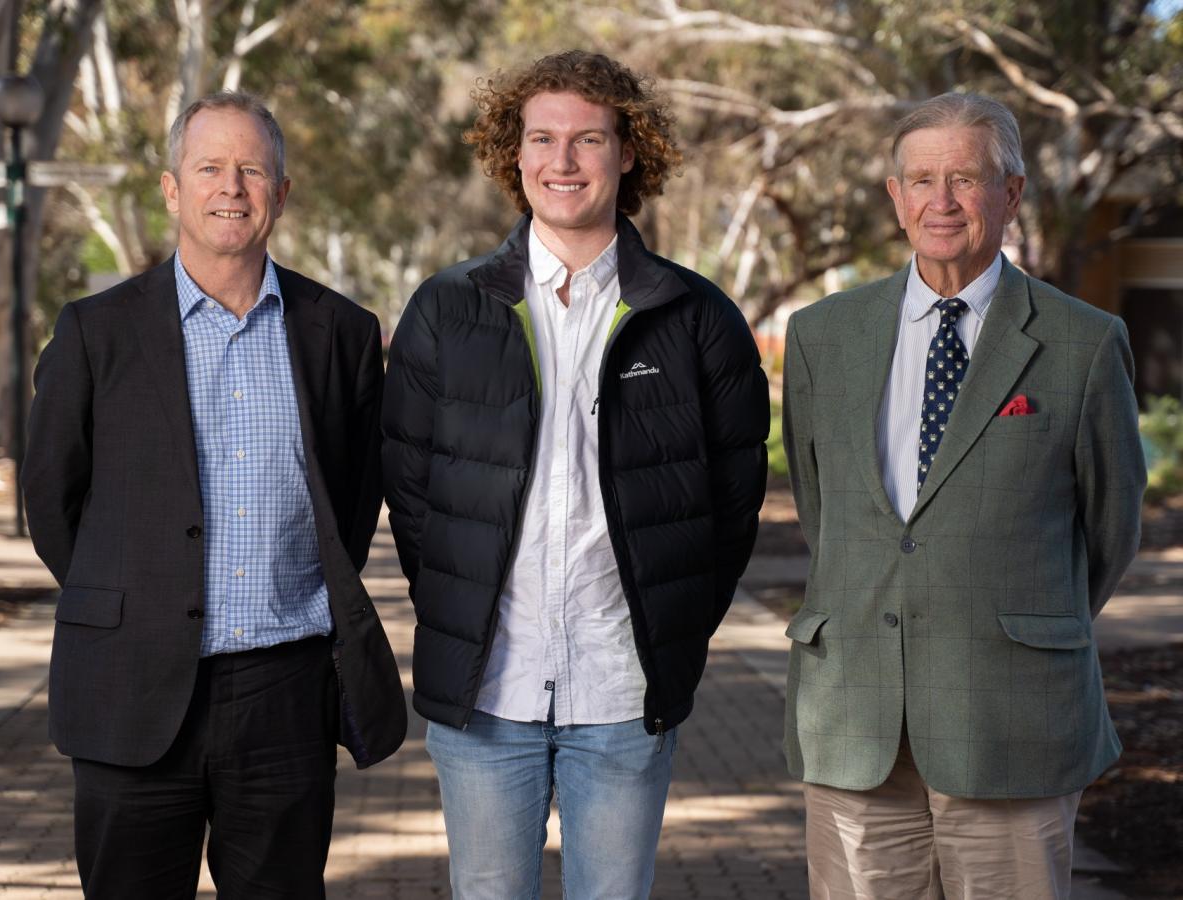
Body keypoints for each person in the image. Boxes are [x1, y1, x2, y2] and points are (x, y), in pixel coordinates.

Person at [381, 50, 768, 898]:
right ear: (512, 154)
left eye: (588, 139)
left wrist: (671, 625)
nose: (563, 162)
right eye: (542, 138)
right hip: (487, 691)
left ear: (629, 153)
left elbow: (732, 508)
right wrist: (461, 605)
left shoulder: (696, 318)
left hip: (625, 692)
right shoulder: (447, 311)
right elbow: (411, 498)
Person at [22, 91, 406, 899]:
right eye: (209, 168)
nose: (231, 186)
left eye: (251, 169)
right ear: (172, 189)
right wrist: (137, 602)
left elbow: (354, 498)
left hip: (285, 698)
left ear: (281, 192)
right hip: (132, 691)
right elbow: (55, 504)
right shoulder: (96, 333)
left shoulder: (339, 332)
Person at [782, 91, 1146, 899]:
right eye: (919, 179)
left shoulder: (1083, 344)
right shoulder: (821, 335)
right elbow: (826, 511)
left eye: (964, 179)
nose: (940, 201)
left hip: (1012, 720)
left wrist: (1020, 625)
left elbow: (1111, 528)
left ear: (1010, 194)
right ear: (895, 196)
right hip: (856, 718)